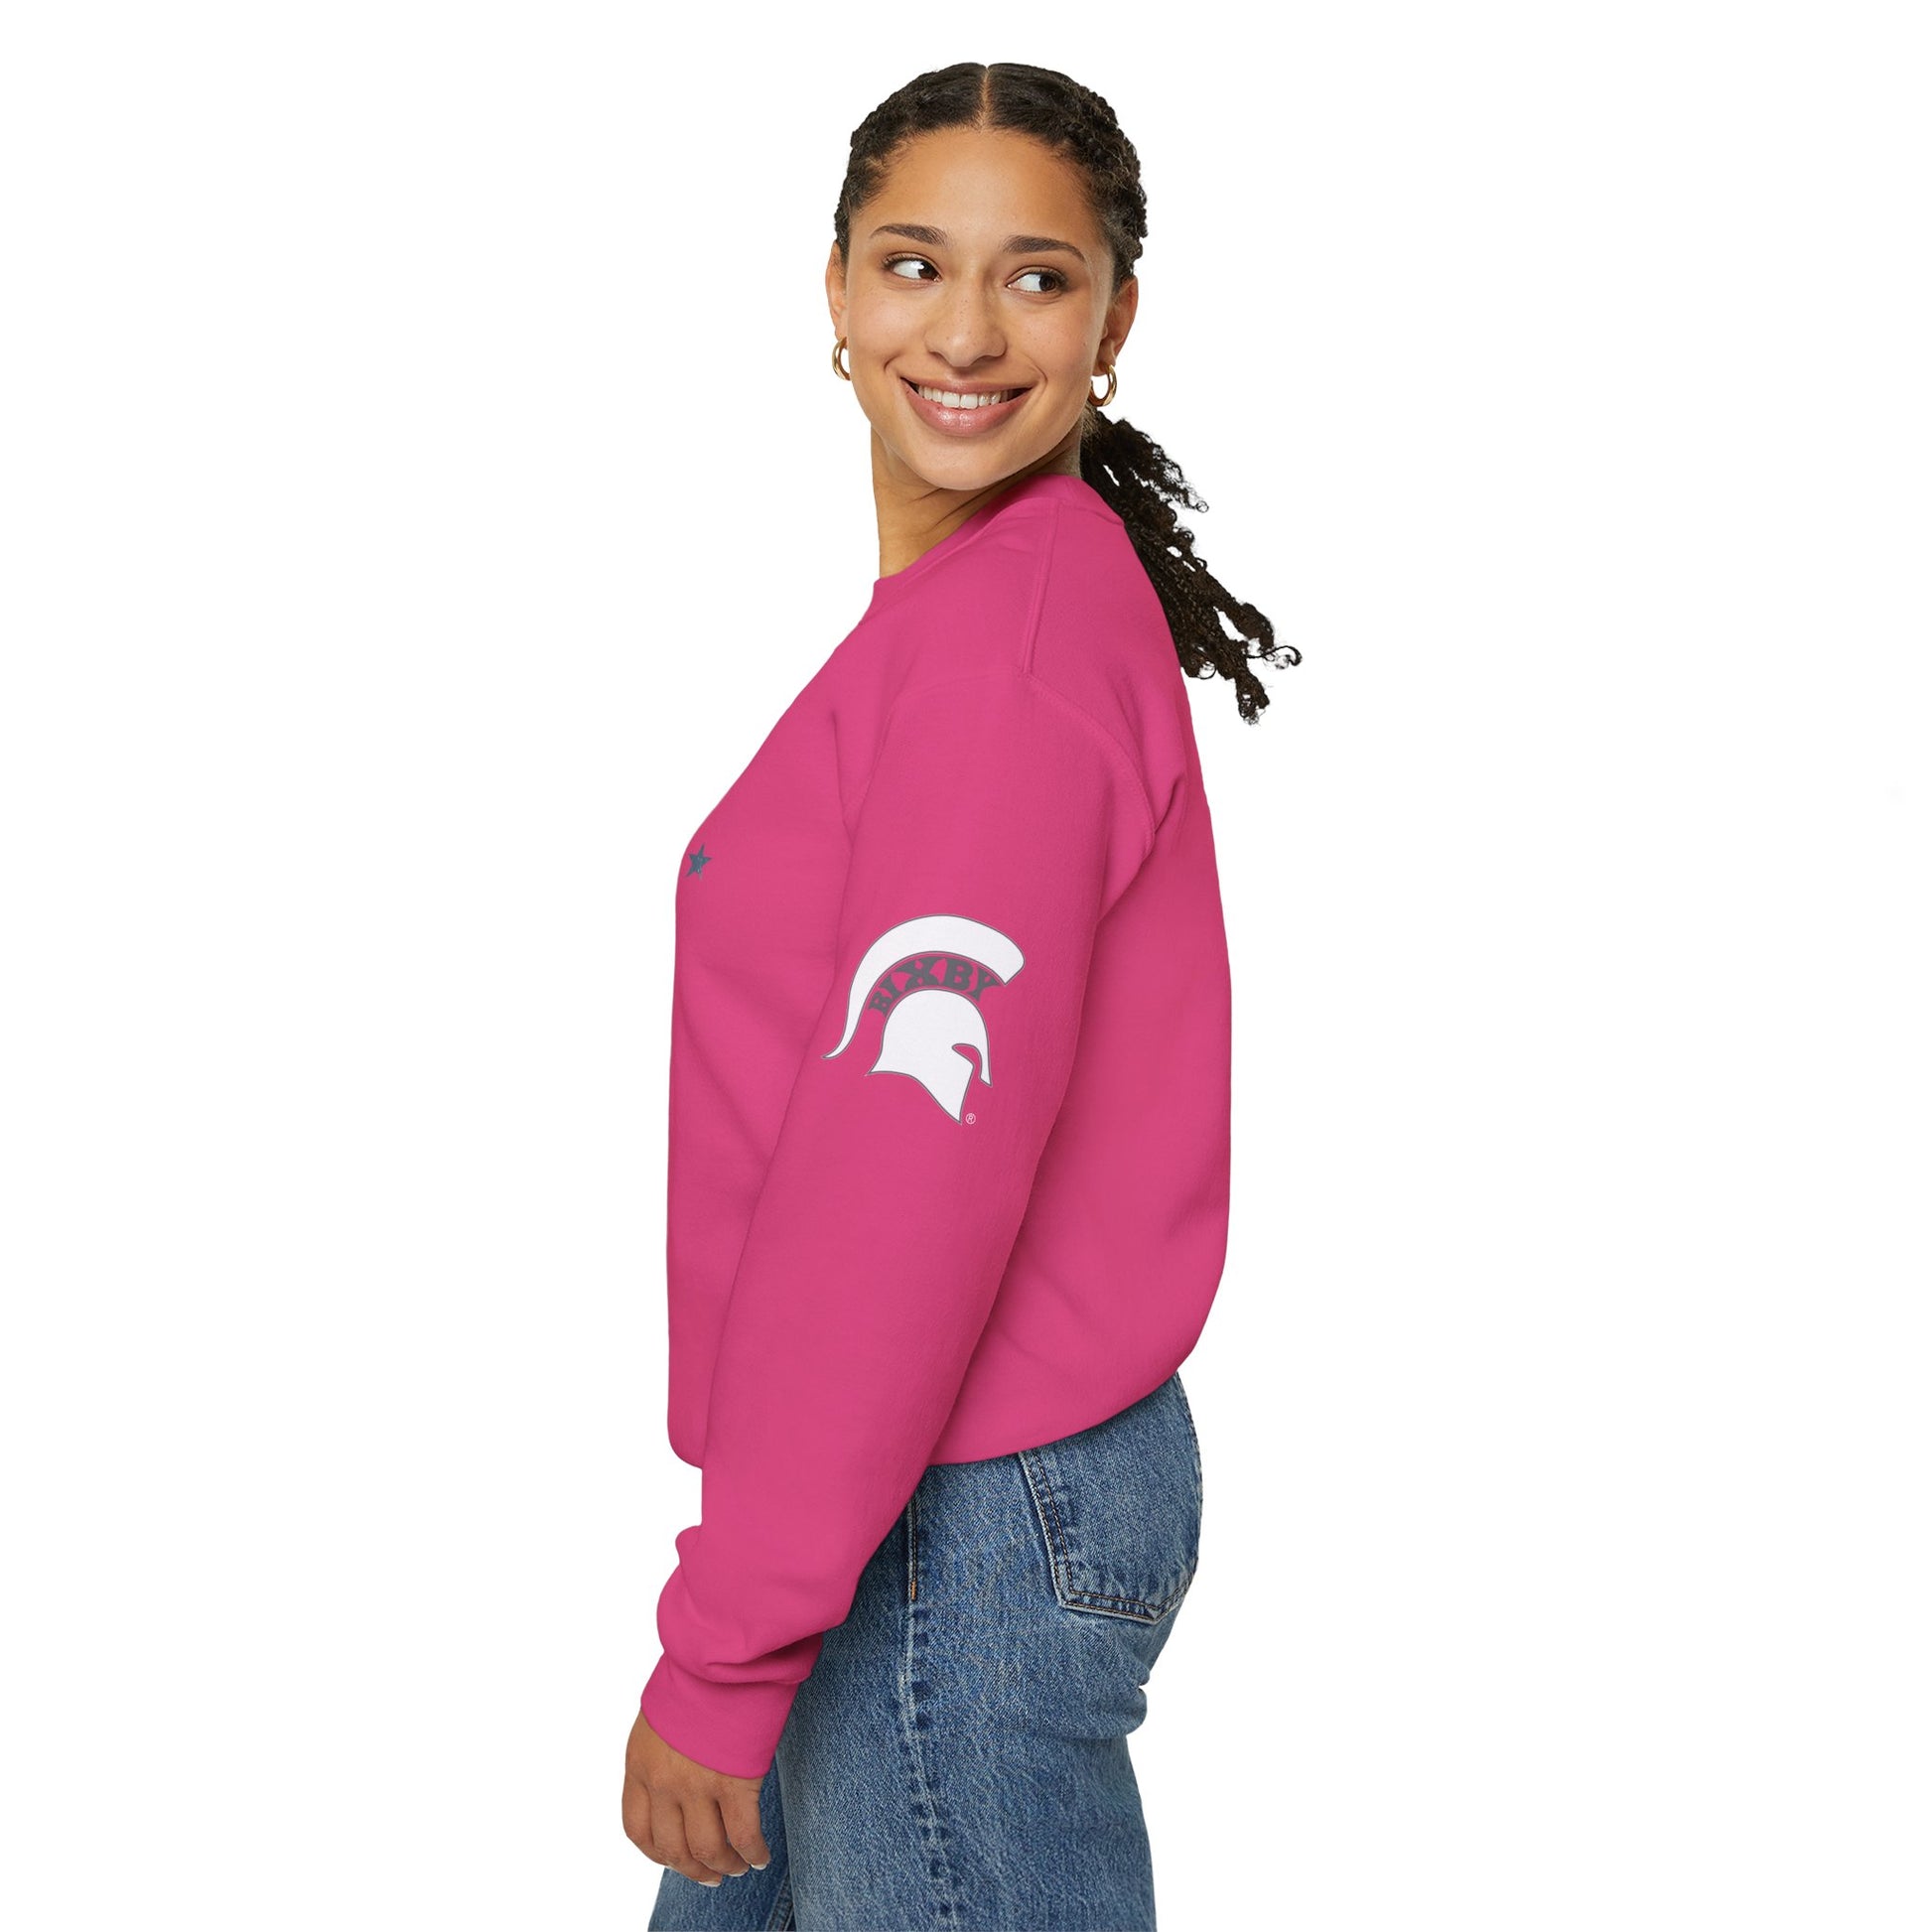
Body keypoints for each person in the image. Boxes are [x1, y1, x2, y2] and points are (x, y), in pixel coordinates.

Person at [621, 61, 1294, 1932]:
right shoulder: (984, 609)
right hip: (888, 1499)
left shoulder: (1005, 651)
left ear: (1114, 321)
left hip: (954, 1519)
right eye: (915, 264)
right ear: (834, 289)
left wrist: (728, 1640)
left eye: (1038, 277)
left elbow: (899, 1179)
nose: (968, 332)